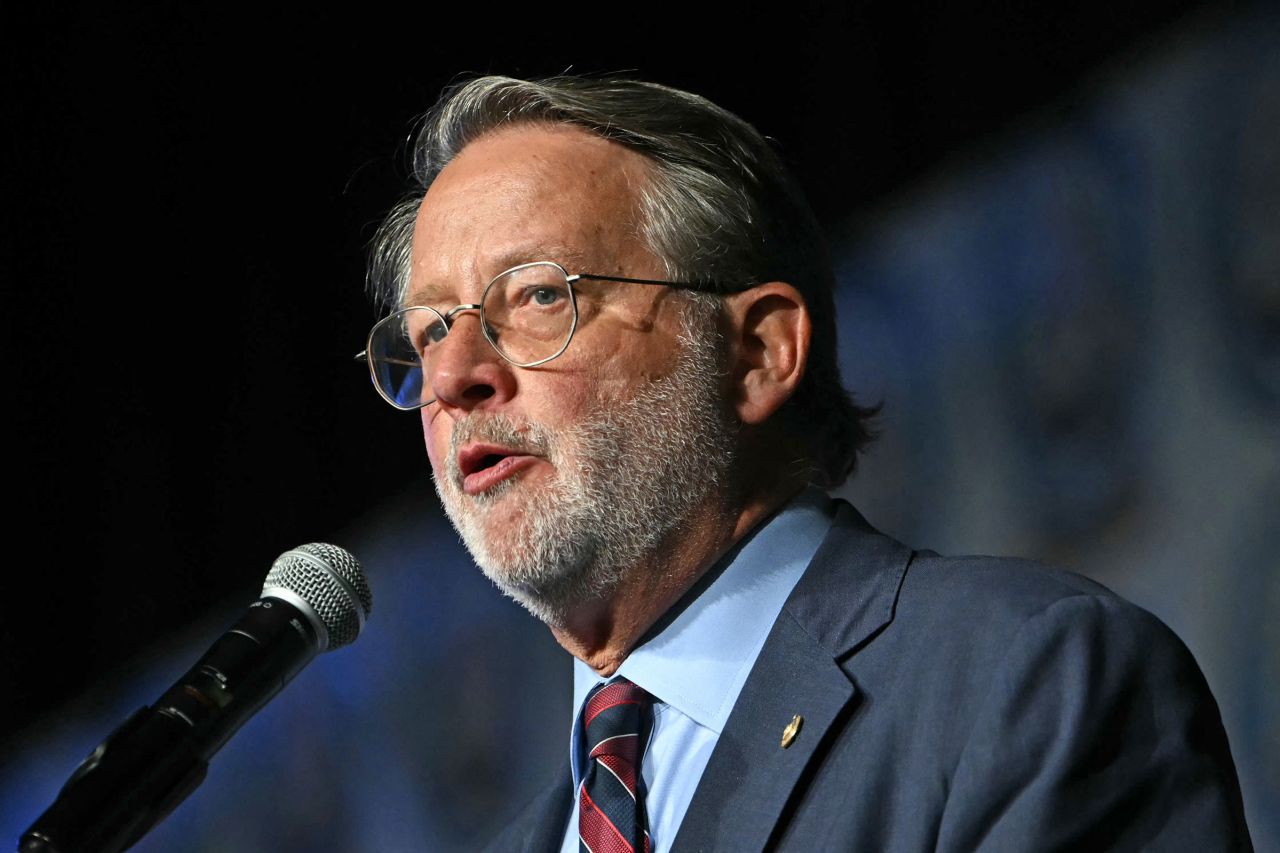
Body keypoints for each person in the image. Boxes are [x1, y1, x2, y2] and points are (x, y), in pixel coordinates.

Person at [359, 75, 1252, 851]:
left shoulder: (1024, 682)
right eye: (432, 329)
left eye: (537, 296)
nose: (451, 375)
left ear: (757, 353)